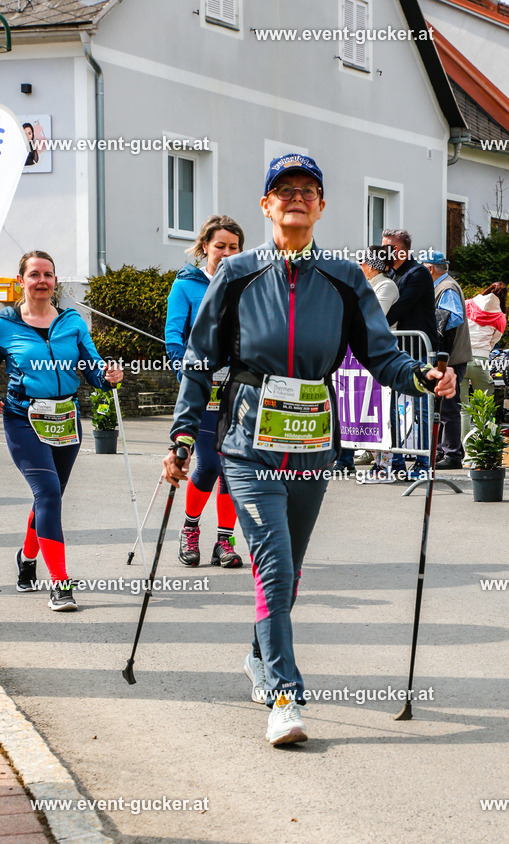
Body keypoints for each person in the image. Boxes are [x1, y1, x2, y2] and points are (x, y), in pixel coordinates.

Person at [162, 153, 455, 747]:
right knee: (271, 559)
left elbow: (380, 353)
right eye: (283, 189)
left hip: (314, 441)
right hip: (248, 439)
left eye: (308, 189)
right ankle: (285, 695)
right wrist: (184, 432)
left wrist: (420, 376)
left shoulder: (345, 278)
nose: (296, 196)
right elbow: (200, 358)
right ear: (266, 204)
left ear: (321, 206)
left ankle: (259, 656)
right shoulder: (236, 272)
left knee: (288, 568)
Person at [0, 251, 123, 610]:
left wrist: (108, 376)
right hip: (24, 419)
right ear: (21, 279)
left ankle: (26, 559)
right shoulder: (6, 323)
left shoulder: (72, 322)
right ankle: (60, 583)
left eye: (48, 275)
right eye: (34, 274)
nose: (41, 281)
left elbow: (93, 367)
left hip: (66, 419)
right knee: (49, 492)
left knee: (48, 498)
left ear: (55, 282)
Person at [165, 215, 244, 568]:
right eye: (220, 246)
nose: (226, 253)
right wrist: (192, 371)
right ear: (204, 248)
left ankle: (224, 542)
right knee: (210, 463)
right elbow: (173, 339)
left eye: (233, 247)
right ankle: (191, 529)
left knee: (233, 466)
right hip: (203, 386)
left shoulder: (245, 284)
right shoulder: (186, 285)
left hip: (240, 386)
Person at [381, 228, 438, 479]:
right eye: (383, 247)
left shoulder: (419, 273)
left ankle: (424, 464)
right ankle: (396, 461)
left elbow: (400, 308)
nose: (386, 252)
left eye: (390, 247)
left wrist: (375, 322)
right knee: (393, 406)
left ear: (404, 248)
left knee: (421, 406)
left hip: (419, 349)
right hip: (399, 349)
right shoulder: (391, 273)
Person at [419, 250, 471, 470]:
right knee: (442, 404)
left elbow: (450, 318)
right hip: (448, 356)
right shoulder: (443, 285)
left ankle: (451, 454)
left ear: (430, 268)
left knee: (448, 405)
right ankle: (444, 451)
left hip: (449, 357)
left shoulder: (446, 287)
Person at [358, 245, 399, 475]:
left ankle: (386, 463)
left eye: (364, 262)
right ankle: (372, 456)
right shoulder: (366, 285)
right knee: (366, 408)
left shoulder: (386, 285)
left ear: (373, 266)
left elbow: (374, 316)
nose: (360, 266)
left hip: (382, 353)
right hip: (365, 354)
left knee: (382, 409)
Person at [460, 283, 507, 446]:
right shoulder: (500, 316)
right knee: (485, 407)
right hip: (482, 361)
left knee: (463, 408)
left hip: (461, 358)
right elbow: (495, 340)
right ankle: (485, 445)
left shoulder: (466, 304)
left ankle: (465, 448)